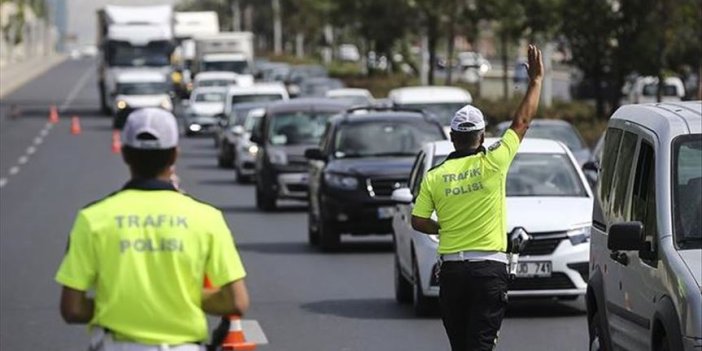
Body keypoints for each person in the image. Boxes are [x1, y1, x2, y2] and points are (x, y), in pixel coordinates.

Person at [55, 108, 249, 350]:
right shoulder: (207, 218)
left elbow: (71, 308)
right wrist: (178, 299)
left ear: (125, 154)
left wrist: (117, 305)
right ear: (175, 155)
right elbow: (236, 301)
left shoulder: (93, 218)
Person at [410, 44, 543, 351]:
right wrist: (535, 82)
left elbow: (418, 220)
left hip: (453, 274)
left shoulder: (435, 176)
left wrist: (442, 228)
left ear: (452, 137)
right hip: (488, 272)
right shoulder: (494, 162)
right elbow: (522, 122)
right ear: (482, 136)